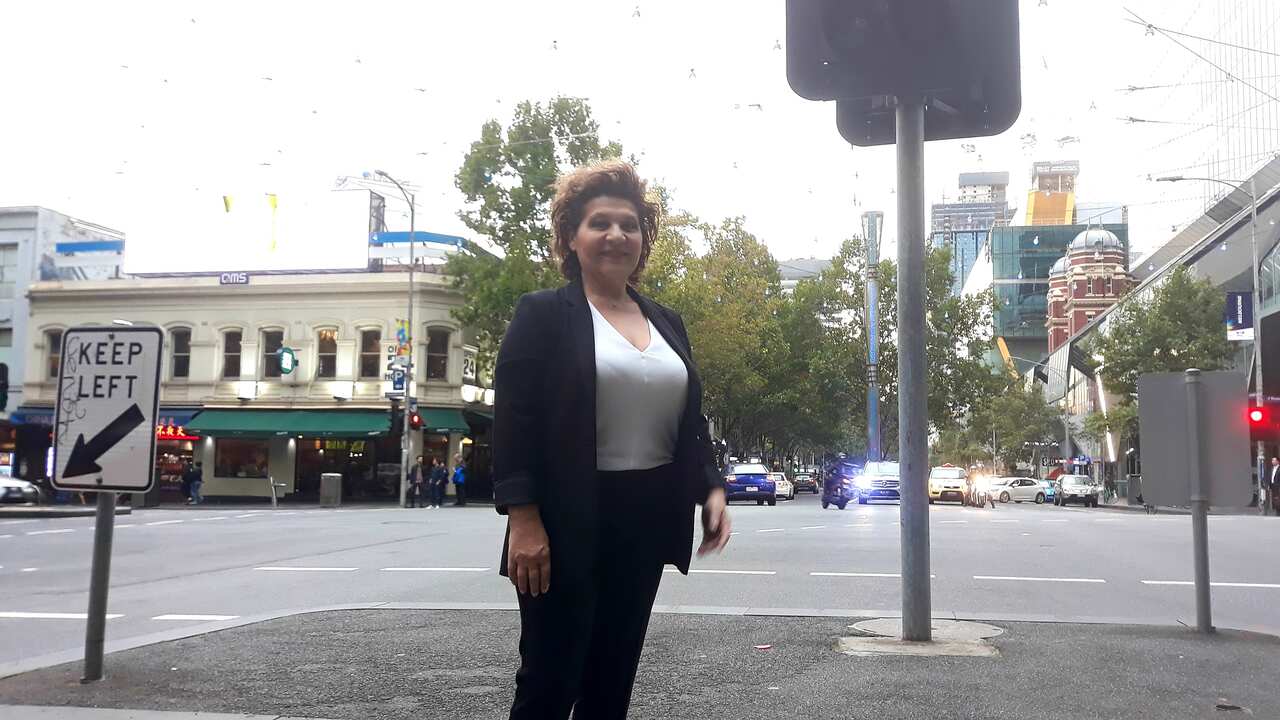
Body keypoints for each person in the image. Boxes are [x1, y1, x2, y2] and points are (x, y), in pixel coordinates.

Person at [494, 160, 731, 719]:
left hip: (644, 521)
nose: (616, 235)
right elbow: (515, 422)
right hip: (564, 519)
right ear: (571, 238)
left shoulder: (666, 320)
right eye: (599, 223)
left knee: (611, 683)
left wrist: (711, 487)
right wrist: (523, 519)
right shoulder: (544, 315)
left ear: (643, 239)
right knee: (550, 682)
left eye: (629, 224)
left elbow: (688, 421)